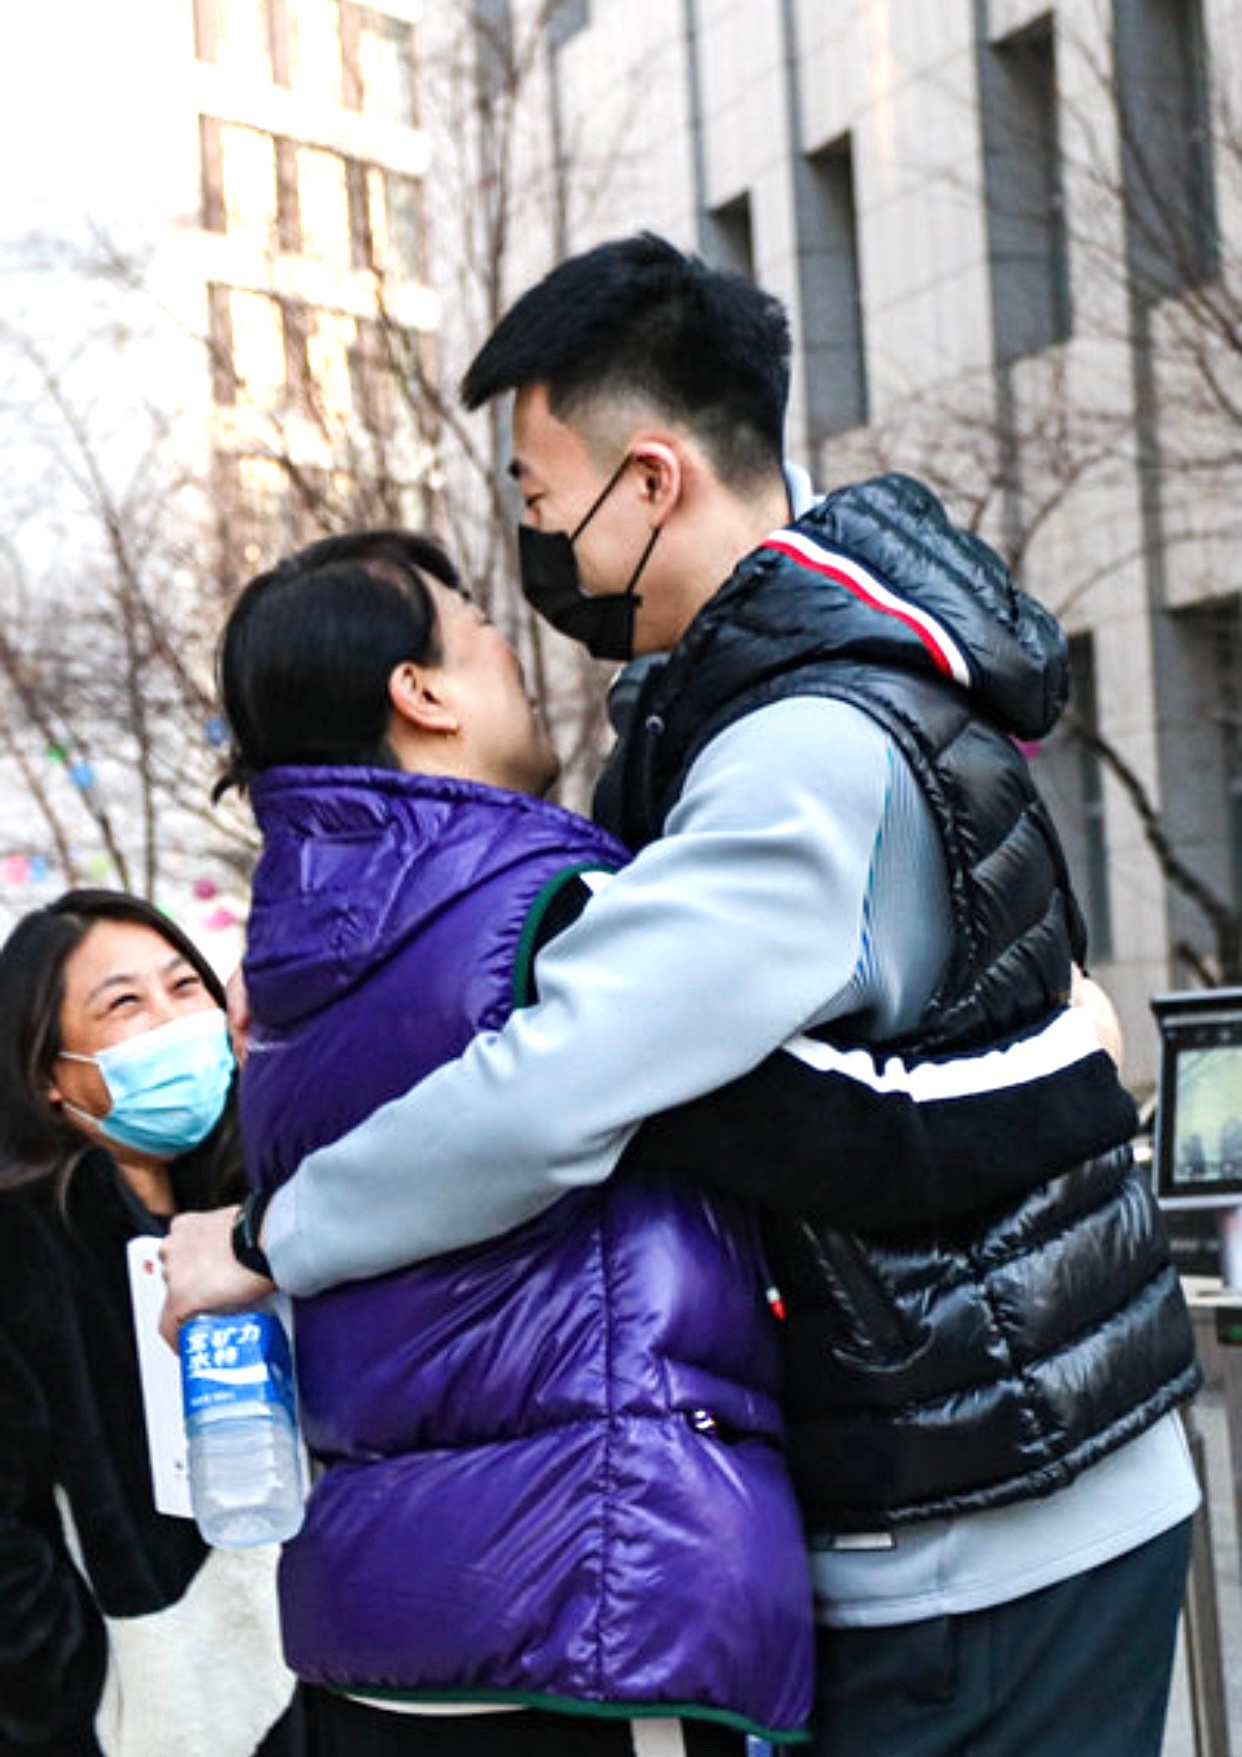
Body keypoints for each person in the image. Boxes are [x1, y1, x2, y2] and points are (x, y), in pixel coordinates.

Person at [163, 236, 1201, 1757]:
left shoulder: (795, 753)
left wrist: (269, 1237)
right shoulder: (718, 721)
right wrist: (1065, 1068)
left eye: (540, 504)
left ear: (649, 481)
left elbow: (572, 1089)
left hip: (985, 1521)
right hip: (936, 1484)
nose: (539, 566)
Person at [191, 528, 814, 1756]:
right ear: (420, 693)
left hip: (385, 1626)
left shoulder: (294, 970)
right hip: (591, 1599)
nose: (510, 649)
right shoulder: (549, 907)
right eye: (477, 626)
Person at [0, 889, 298, 1757]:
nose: (173, 1021)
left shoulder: (265, 1209)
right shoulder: (25, 1244)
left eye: (184, 985)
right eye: (124, 1002)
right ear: (46, 1072)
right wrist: (84, 1696)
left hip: (314, 1688)